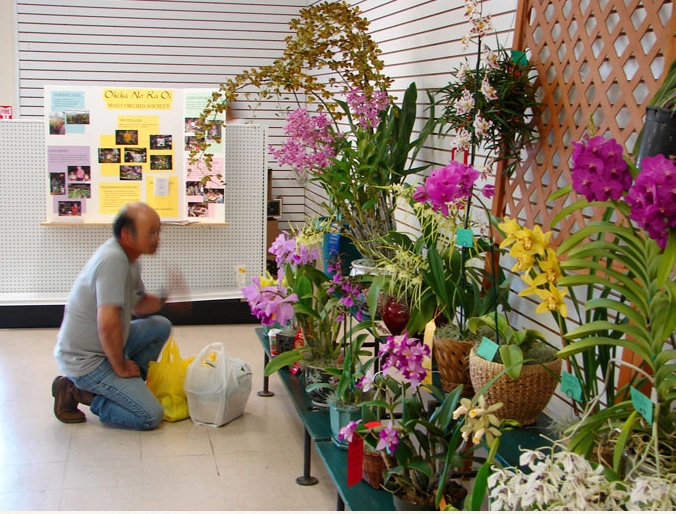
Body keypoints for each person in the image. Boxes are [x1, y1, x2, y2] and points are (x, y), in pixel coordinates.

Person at [52, 202, 171, 430]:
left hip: (106, 347)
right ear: (127, 234)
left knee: (159, 326)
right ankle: (78, 392)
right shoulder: (113, 260)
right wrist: (120, 366)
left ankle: (126, 388)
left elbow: (139, 305)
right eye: (151, 233)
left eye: (158, 232)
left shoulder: (130, 259)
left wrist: (166, 297)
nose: (157, 239)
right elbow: (107, 323)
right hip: (88, 361)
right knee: (150, 416)